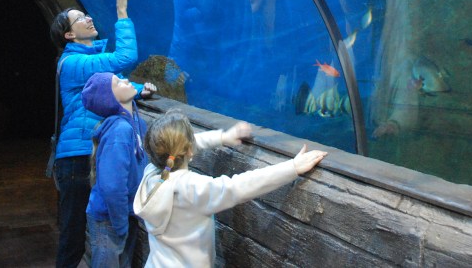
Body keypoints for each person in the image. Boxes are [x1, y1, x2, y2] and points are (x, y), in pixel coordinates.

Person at [49, 0, 156, 268]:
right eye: (80, 18)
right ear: (69, 36)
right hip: (78, 157)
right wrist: (122, 11)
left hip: (93, 151)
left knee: (88, 229)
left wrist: (135, 88)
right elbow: (124, 58)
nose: (88, 18)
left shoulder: (87, 61)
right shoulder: (71, 63)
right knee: (72, 234)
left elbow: (109, 86)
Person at [133, 110, 328, 267]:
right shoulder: (191, 189)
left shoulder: (152, 173)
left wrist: (224, 137)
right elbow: (238, 186)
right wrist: (292, 167)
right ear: (188, 150)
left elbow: (185, 145)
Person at [80, 72, 147, 268]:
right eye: (118, 82)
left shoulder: (135, 124)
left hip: (123, 214)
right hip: (109, 219)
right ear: (110, 98)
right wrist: (120, 223)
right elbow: (112, 186)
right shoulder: (119, 131)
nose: (126, 81)